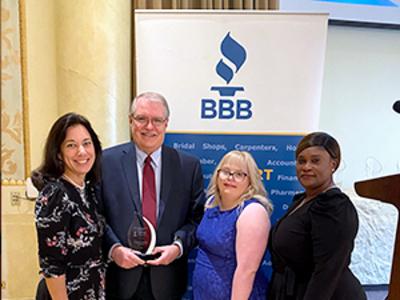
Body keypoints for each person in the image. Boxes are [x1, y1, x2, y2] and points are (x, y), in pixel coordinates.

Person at [101, 91, 205, 300]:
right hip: (119, 279)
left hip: (168, 281)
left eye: (157, 120)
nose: (149, 127)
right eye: (141, 119)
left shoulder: (188, 167)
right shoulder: (105, 162)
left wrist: (178, 247)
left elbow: (197, 219)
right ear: (131, 121)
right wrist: (114, 249)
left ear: (166, 124)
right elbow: (95, 216)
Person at [268, 132, 367, 300]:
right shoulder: (302, 201)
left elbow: (326, 272)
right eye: (301, 161)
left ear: (333, 165)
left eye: (315, 161)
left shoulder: (333, 206)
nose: (306, 167)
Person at [32, 112, 106, 300]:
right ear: (58, 153)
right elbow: (52, 265)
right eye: (71, 145)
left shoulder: (87, 191)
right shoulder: (55, 194)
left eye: (86, 143)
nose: (82, 152)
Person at [192, 150, 272, 300]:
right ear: (217, 174)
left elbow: (247, 271)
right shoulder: (211, 203)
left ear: (250, 181)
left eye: (239, 174)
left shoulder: (252, 212)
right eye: (226, 171)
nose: (230, 178)